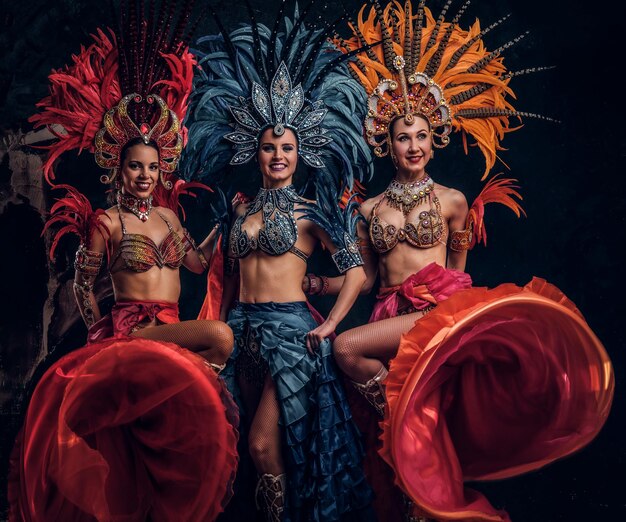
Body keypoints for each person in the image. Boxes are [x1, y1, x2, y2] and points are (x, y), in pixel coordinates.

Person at [300, 1, 615, 521]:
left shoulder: (452, 201)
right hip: (388, 312)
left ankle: (398, 414)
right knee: (407, 456)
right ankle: (413, 450)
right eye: (403, 136)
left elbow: (460, 270)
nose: (414, 145)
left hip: (435, 311)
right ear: (387, 143)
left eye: (422, 135)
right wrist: (317, 284)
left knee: (349, 348)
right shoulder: (368, 209)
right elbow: (367, 278)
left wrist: (455, 316)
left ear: (435, 137)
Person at [8, 3, 238, 521]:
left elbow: (198, 266)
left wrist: (225, 225)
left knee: (166, 438)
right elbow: (82, 283)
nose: (144, 176)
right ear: (119, 166)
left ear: (161, 170)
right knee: (221, 338)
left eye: (152, 168)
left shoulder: (170, 219)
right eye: (136, 166)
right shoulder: (107, 222)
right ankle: (190, 362)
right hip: (133, 332)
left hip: (172, 327)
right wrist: (99, 333)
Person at [180, 5, 376, 522]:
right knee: (241, 451)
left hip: (291, 339)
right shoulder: (237, 209)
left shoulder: (313, 215)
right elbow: (198, 263)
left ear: (300, 151)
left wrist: (331, 325)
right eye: (269, 147)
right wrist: (154, 221)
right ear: (256, 150)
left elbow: (355, 273)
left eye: (286, 147)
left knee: (265, 446)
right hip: (239, 332)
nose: (277, 156)